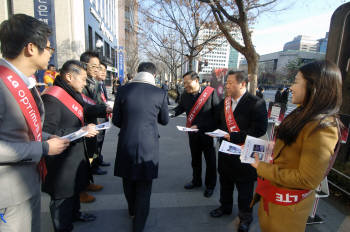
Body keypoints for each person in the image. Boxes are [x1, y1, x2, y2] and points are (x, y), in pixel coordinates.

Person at [251, 60, 341, 232]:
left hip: (288, 206)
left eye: (296, 82)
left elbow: (307, 179)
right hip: (274, 197)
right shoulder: (303, 113)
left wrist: (261, 167)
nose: (290, 87)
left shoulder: (323, 127)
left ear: (314, 87)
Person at [0, 14, 69, 232]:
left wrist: (47, 138)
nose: (50, 54)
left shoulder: (23, 81)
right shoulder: (3, 83)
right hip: (8, 196)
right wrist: (43, 148)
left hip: (28, 185)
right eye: (49, 48)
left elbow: (23, 130)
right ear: (31, 48)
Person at [41, 60, 99, 231]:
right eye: (82, 79)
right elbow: (47, 132)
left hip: (74, 156)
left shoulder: (72, 93)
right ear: (68, 76)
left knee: (74, 191)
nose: (84, 83)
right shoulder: (52, 98)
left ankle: (76, 214)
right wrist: (81, 130)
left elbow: (85, 110)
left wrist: (104, 110)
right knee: (62, 200)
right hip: (60, 162)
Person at [112, 62, 169, 232]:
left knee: (127, 179)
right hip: (148, 144)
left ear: (137, 72)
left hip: (126, 141)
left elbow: (116, 120)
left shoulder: (122, 90)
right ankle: (139, 225)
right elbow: (164, 120)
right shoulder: (160, 92)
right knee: (145, 186)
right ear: (154, 74)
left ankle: (131, 209)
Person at [209, 71, 267, 232]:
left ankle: (245, 218)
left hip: (245, 154)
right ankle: (225, 207)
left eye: (230, 83)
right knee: (225, 183)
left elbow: (259, 129)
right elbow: (217, 122)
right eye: (226, 83)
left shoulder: (256, 103)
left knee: (245, 191)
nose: (226, 86)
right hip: (225, 153)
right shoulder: (224, 103)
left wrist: (233, 136)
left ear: (242, 84)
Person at [173, 71, 220, 198]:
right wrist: (171, 114)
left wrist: (200, 126)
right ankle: (196, 181)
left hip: (208, 134)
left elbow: (217, 116)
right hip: (192, 134)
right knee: (195, 159)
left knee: (210, 162)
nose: (185, 86)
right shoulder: (185, 95)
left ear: (196, 80)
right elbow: (181, 108)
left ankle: (210, 186)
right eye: (184, 84)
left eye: (187, 83)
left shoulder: (210, 93)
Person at [79, 51, 111, 203]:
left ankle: (87, 182)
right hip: (84, 126)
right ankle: (81, 189)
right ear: (84, 66)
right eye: (94, 66)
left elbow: (97, 102)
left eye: (99, 66)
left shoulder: (94, 82)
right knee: (85, 158)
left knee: (92, 153)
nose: (98, 69)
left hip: (94, 121)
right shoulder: (82, 83)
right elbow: (84, 107)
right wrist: (104, 109)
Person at [95, 62, 111, 167]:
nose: (104, 73)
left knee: (100, 141)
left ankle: (99, 159)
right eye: (101, 70)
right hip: (97, 118)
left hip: (103, 116)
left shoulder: (101, 84)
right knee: (96, 142)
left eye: (105, 70)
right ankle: (94, 165)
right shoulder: (93, 85)